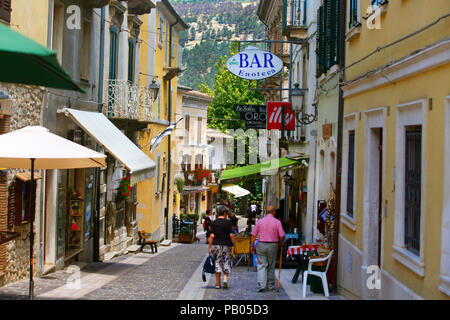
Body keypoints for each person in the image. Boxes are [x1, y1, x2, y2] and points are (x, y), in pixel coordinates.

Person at [250, 205, 285, 292]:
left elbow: (254, 235)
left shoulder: (260, 221)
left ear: (265, 213)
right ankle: (270, 286)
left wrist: (252, 246)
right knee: (271, 265)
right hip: (273, 245)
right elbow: (282, 235)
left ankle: (261, 285)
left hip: (261, 244)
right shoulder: (277, 222)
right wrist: (281, 242)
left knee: (262, 265)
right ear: (274, 212)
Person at [209, 205, 237, 289]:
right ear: (225, 214)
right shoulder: (228, 222)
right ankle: (225, 279)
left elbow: (211, 236)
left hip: (216, 245)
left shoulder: (213, 222)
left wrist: (210, 247)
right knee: (226, 261)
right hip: (226, 245)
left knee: (217, 262)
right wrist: (235, 246)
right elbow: (231, 236)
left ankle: (218, 283)